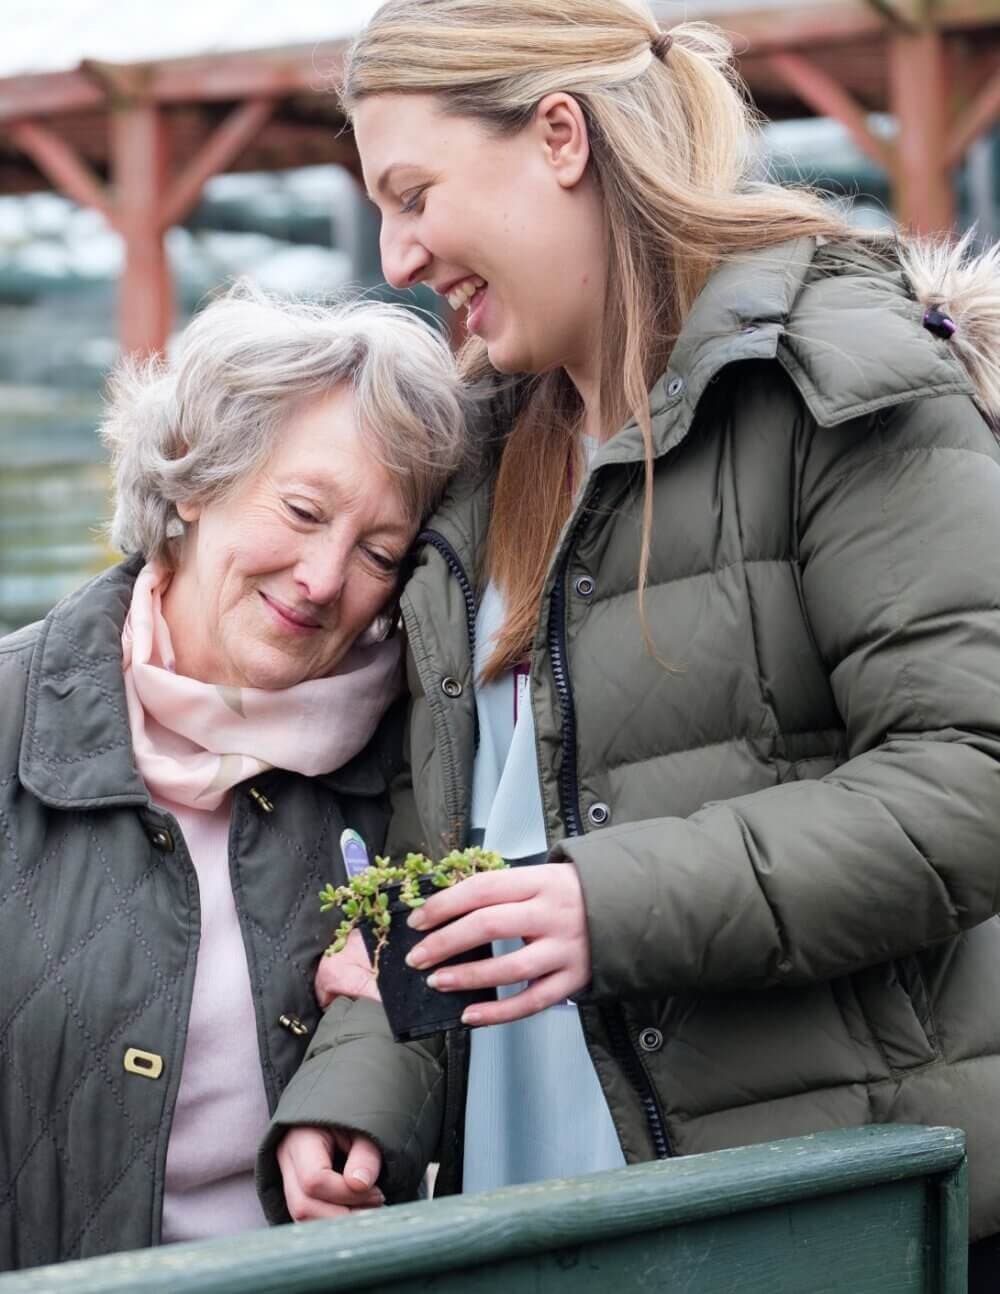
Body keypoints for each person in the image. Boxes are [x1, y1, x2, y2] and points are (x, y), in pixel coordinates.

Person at [292, 0, 1000, 1286]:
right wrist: (363, 1095)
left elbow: (970, 783)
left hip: (819, 1218)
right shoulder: (477, 464)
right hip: (549, 1213)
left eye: (413, 193)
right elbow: (441, 841)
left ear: (559, 135)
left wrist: (603, 904)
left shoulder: (842, 375)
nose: (394, 256)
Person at [0, 284, 467, 1271]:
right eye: (301, 511)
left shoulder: (421, 763)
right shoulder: (14, 718)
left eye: (378, 553)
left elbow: (457, 1033)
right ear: (196, 480)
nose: (322, 576)